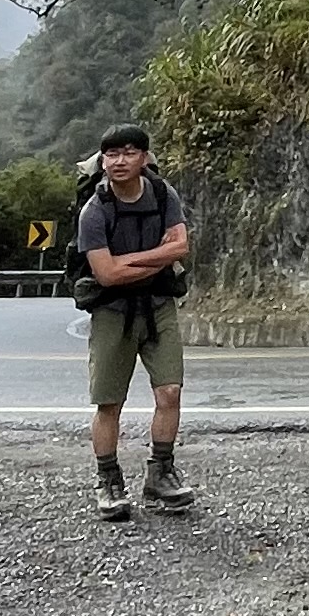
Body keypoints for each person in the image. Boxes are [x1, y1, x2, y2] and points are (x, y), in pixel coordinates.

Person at [74, 123, 194, 522]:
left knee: (170, 392)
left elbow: (182, 246)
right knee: (109, 402)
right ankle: (108, 480)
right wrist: (155, 257)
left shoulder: (163, 194)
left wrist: (128, 261)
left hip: (159, 305)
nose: (118, 161)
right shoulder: (95, 210)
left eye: (128, 153)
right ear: (102, 160)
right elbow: (105, 276)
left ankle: (160, 474)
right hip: (112, 310)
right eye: (111, 155)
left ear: (144, 158)